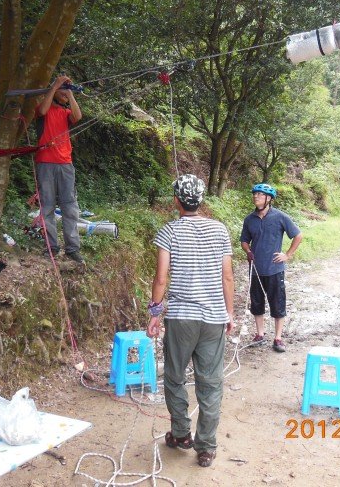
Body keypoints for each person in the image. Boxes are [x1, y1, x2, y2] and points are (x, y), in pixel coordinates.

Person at [147, 174, 234, 468]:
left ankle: (181, 434)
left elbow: (161, 278)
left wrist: (154, 314)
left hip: (181, 318)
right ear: (201, 200)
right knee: (210, 383)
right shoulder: (220, 230)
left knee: (174, 377)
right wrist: (229, 313)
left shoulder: (169, 231)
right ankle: (206, 447)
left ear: (177, 201)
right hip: (213, 319)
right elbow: (227, 276)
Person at [240, 183, 302, 353]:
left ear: (269, 198)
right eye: (255, 194)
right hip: (256, 269)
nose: (256, 197)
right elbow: (244, 240)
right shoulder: (249, 219)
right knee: (256, 302)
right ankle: (260, 334)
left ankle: (278, 338)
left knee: (277, 302)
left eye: (260, 194)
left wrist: (287, 255)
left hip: (275, 269)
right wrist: (248, 251)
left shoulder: (280, 217)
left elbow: (298, 235)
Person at [35, 74, 84, 263]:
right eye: (63, 91)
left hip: (65, 164)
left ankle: (72, 248)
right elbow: (42, 110)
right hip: (45, 163)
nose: (65, 93)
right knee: (47, 205)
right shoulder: (44, 109)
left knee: (69, 206)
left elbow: (78, 116)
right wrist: (55, 85)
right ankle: (52, 247)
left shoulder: (66, 113)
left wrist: (70, 93)